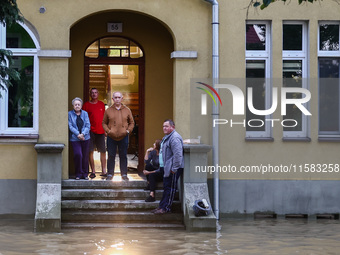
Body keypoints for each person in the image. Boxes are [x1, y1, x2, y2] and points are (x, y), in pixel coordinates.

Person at [152, 119, 184, 214]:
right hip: (168, 168)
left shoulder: (174, 138)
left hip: (173, 169)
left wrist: (174, 169)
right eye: (163, 126)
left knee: (170, 188)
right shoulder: (168, 137)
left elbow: (178, 155)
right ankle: (161, 207)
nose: (164, 128)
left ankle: (166, 208)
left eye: (166, 126)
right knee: (166, 187)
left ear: (172, 127)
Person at [102, 91, 135, 181]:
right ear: (113, 99)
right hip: (111, 137)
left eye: (118, 97)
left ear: (121, 99)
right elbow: (104, 123)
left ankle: (124, 174)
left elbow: (132, 123)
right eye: (115, 97)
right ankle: (110, 174)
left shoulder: (127, 110)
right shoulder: (108, 110)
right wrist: (108, 131)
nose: (117, 99)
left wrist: (128, 131)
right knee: (111, 156)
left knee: (123, 156)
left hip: (123, 136)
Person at [83, 88, 107, 179]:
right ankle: (93, 171)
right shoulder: (86, 105)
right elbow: (83, 118)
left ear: (98, 94)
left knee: (103, 151)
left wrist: (105, 130)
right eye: (92, 93)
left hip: (100, 131)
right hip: (90, 131)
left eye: (96, 92)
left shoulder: (101, 104)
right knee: (90, 151)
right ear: (90, 94)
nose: (94, 94)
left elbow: (104, 118)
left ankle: (104, 170)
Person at [68, 97, 91, 180]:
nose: (77, 106)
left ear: (81, 106)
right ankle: (78, 173)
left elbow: (88, 125)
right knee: (78, 155)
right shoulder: (69, 114)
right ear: (73, 106)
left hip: (85, 138)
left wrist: (83, 134)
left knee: (85, 156)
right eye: (75, 104)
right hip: (75, 138)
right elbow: (70, 126)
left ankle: (85, 174)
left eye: (78, 104)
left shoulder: (85, 113)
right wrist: (78, 134)